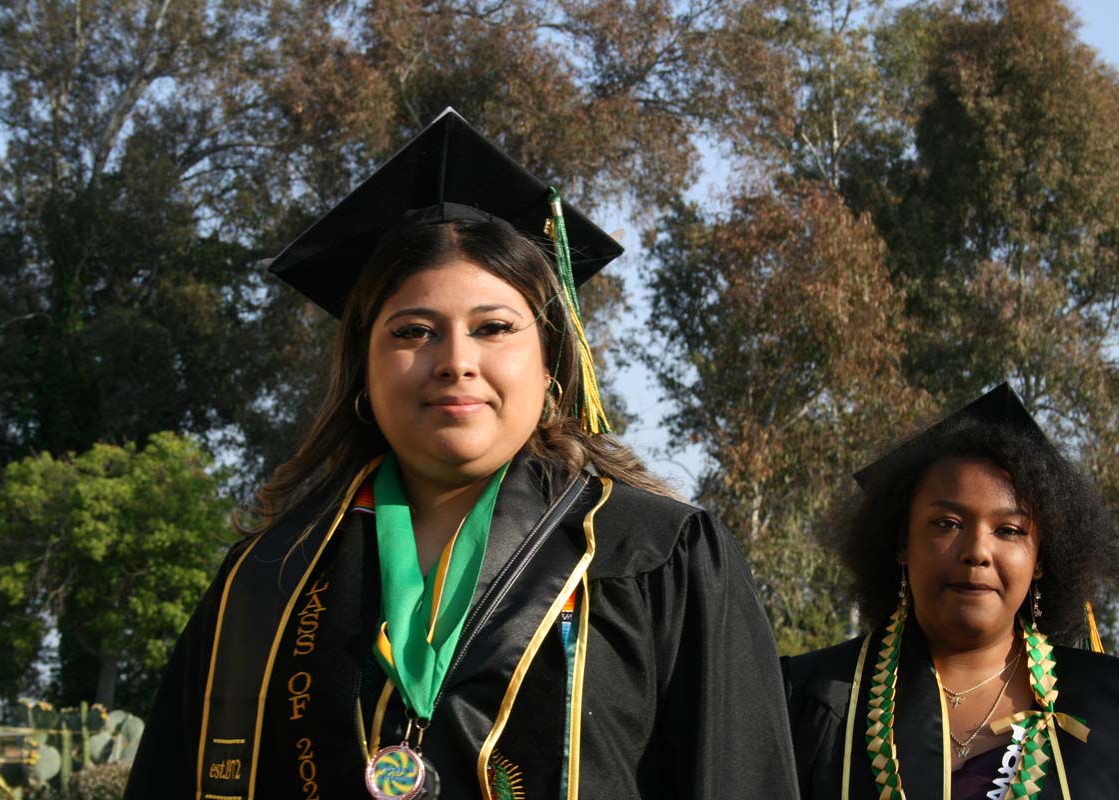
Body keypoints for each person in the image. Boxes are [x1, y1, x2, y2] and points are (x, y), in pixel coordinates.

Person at [124, 109, 798, 800]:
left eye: (494, 328)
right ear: (364, 367)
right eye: (414, 331)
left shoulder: (658, 558)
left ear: (550, 362)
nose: (456, 362)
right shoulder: (265, 581)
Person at [782, 384, 1119, 799]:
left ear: (1041, 559)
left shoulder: (1108, 704)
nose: (977, 551)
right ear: (902, 542)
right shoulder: (812, 698)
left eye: (1009, 530)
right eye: (947, 523)